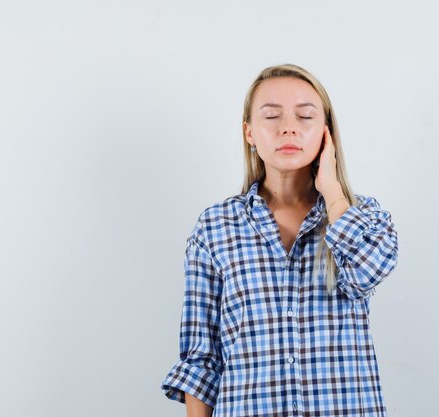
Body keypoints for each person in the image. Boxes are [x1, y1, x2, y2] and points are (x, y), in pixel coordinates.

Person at [160, 63, 399, 417]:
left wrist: (332, 191)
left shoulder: (364, 218)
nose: (288, 127)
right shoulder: (215, 227)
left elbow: (366, 273)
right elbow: (201, 358)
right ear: (250, 133)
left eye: (305, 116)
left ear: (326, 133)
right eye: (272, 116)